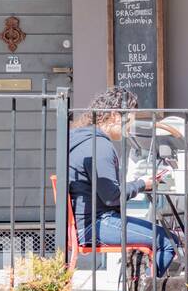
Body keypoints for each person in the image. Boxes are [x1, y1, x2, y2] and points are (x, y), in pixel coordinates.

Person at [67, 87, 180, 281]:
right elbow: (112, 197)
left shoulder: (78, 140)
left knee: (154, 238)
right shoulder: (99, 146)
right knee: (169, 242)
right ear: (114, 116)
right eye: (130, 118)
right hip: (97, 224)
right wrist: (142, 184)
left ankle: (138, 284)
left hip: (82, 223)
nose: (131, 126)